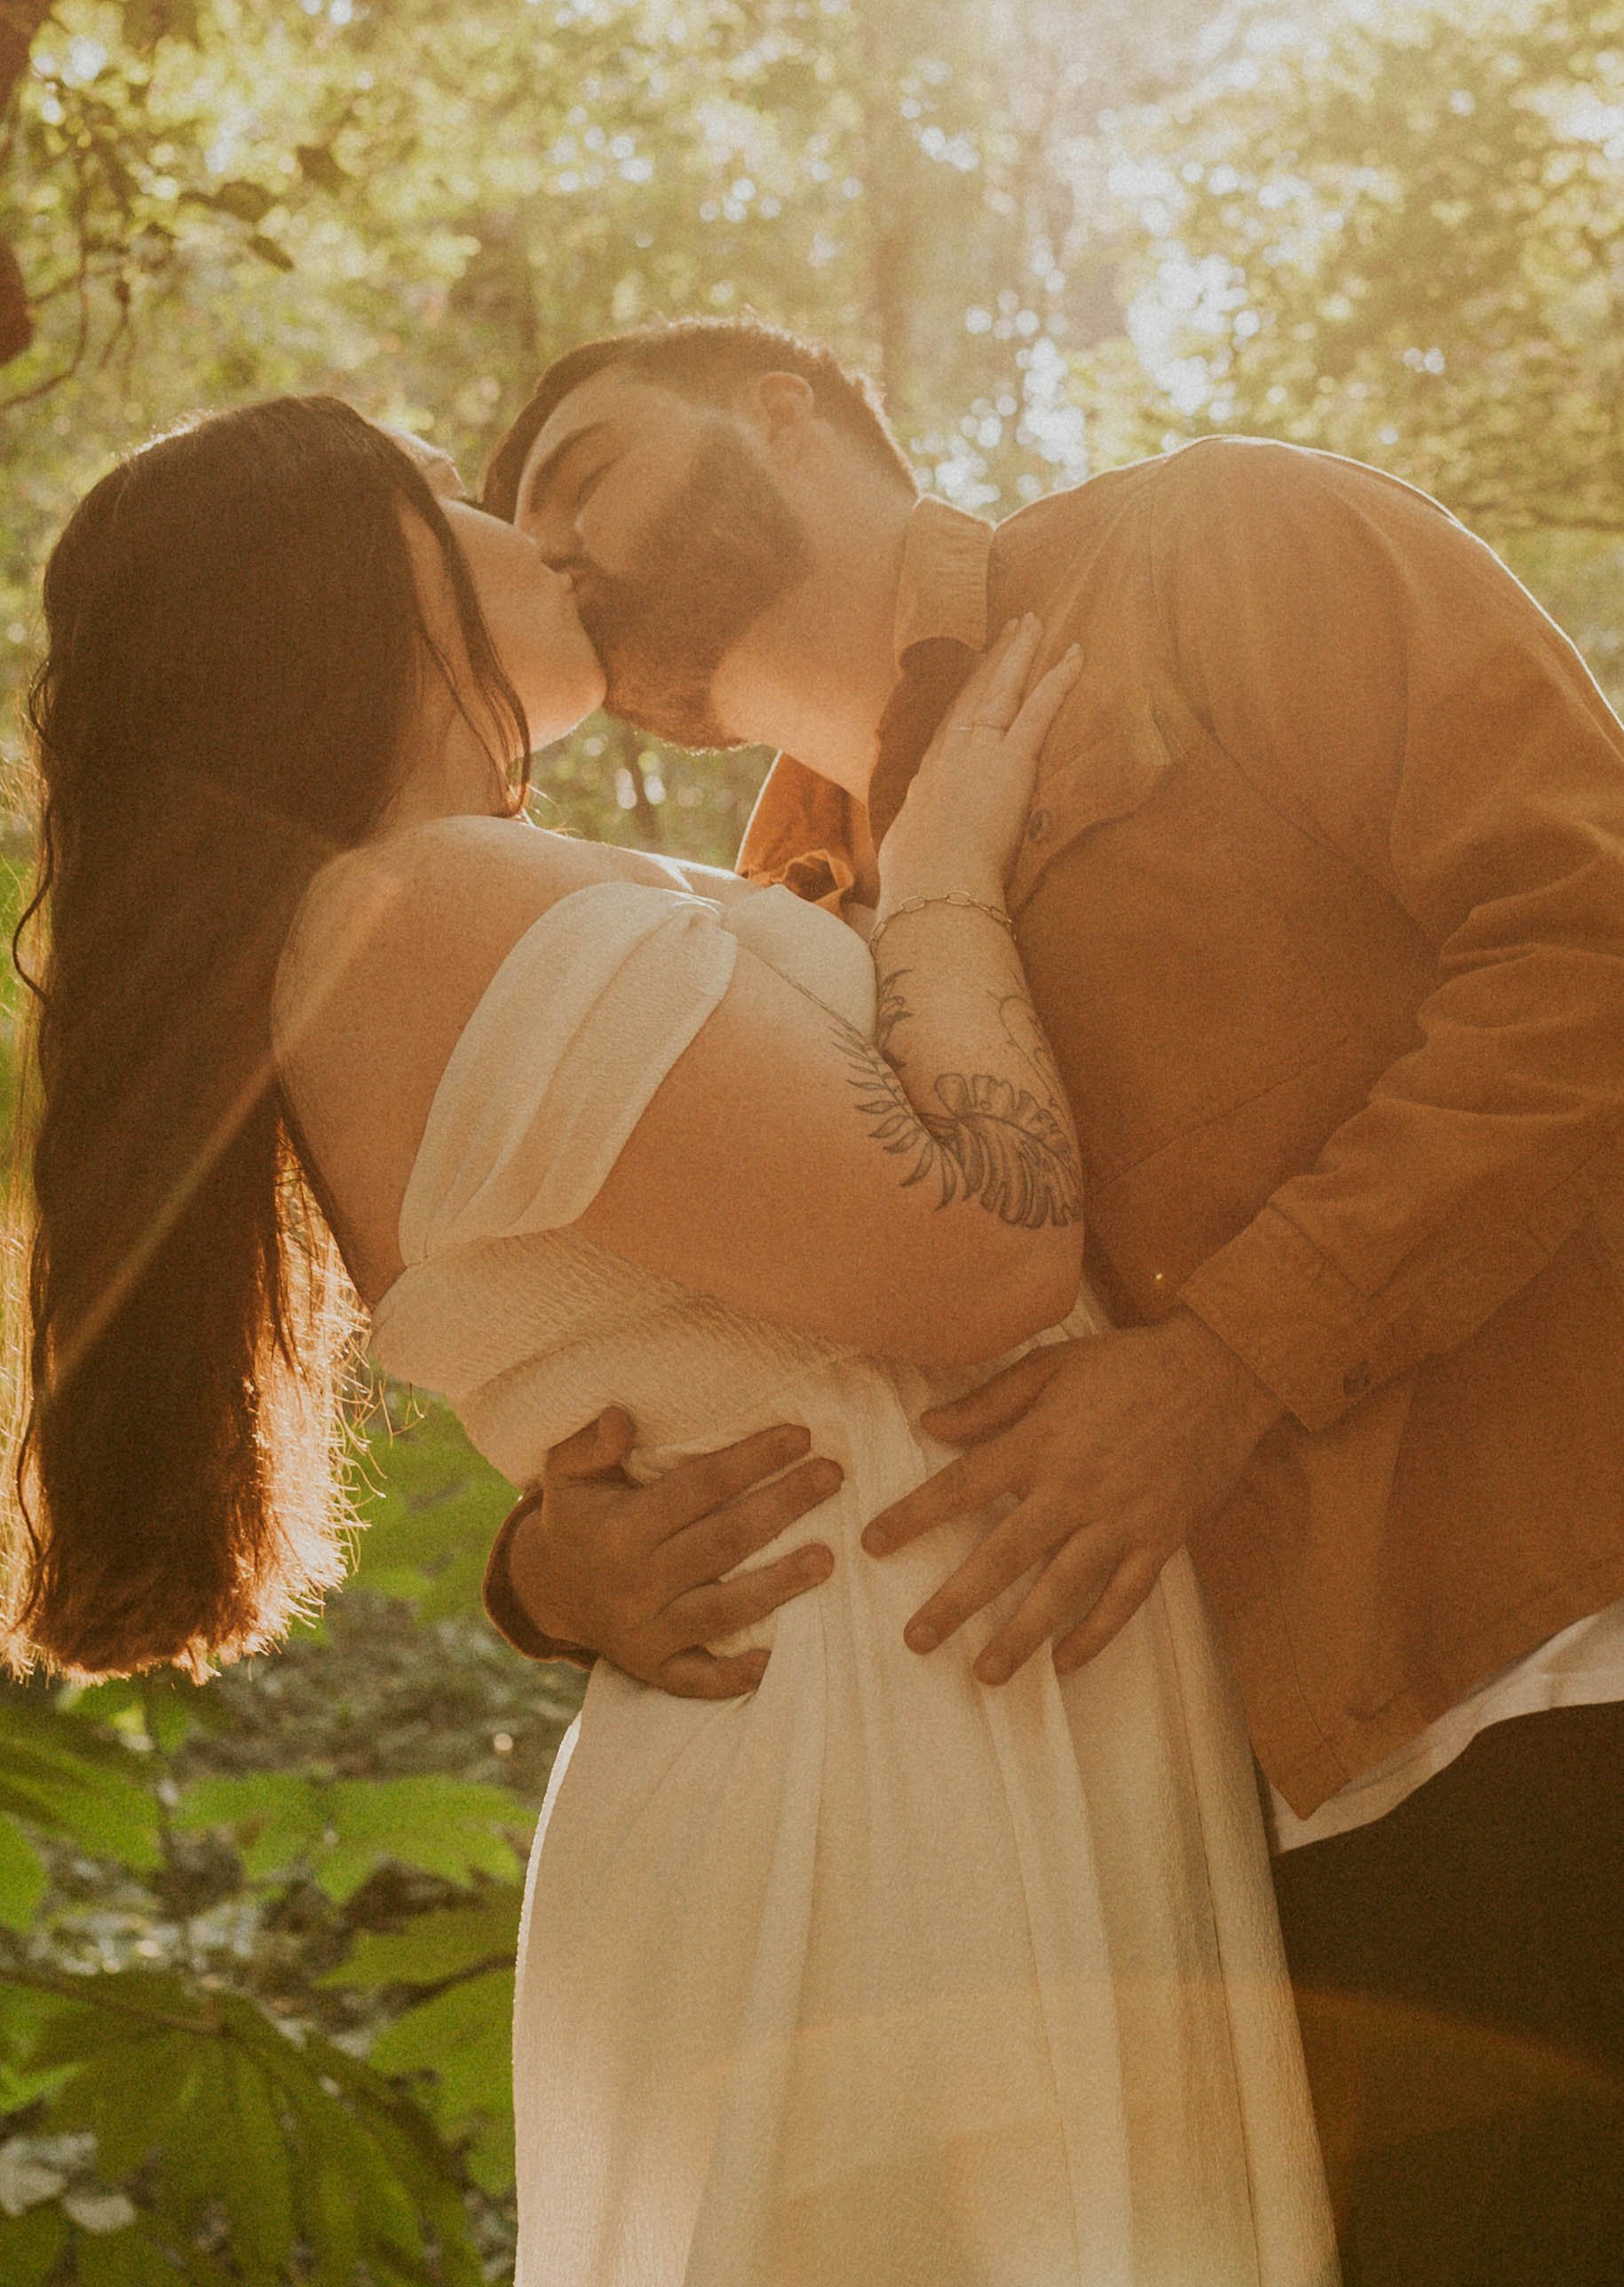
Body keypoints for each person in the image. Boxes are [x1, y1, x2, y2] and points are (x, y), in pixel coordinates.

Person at [11, 393, 1335, 2284]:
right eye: (457, 501)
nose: (528, 537)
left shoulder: (434, 912)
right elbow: (984, 1260)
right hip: (878, 1769)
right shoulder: (431, 905)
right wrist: (946, 867)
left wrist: (546, 1574)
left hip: (915, 1701)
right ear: (348, 569)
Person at [479, 316, 1624, 2284]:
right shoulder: (772, 926)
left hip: (1552, 1651)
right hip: (1214, 1867)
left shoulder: (1222, 543)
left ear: (795, 408)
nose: (559, 552)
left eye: (583, 469)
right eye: (526, 540)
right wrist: (550, 1571)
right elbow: (776, 1343)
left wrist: (1227, 1362)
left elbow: (1589, 932)